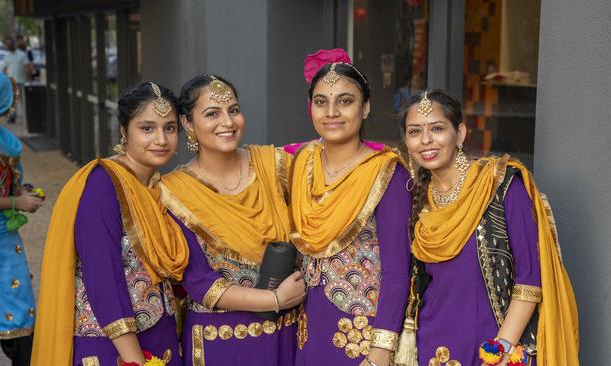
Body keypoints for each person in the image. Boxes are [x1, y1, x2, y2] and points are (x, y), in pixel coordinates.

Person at [398, 89, 579, 366]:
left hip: (495, 349)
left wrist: (500, 350)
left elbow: (530, 278)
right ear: (407, 141)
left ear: (459, 134)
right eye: (414, 131)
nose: (426, 140)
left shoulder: (501, 185)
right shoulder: (417, 199)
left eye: (437, 128)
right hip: (432, 348)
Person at [31, 82, 189, 366]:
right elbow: (102, 278)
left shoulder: (159, 186)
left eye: (169, 127)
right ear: (123, 131)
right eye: (147, 128)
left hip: (162, 335)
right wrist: (133, 361)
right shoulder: (102, 184)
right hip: (113, 347)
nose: (161, 139)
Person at [159, 74, 305, 366]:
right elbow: (199, 282)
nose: (227, 122)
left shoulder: (275, 166)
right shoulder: (174, 191)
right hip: (220, 343)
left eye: (233, 110)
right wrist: (275, 300)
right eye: (212, 113)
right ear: (188, 124)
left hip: (285, 335)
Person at [289, 49, 411, 366]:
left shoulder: (386, 173)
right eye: (321, 102)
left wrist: (380, 352)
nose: (332, 112)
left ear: (366, 107)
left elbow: (398, 273)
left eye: (345, 101)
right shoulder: (300, 162)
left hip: (361, 337)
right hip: (307, 330)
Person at [0, 72, 42, 366]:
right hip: (2, 241)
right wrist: (18, 201)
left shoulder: (5, 142)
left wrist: (21, 192)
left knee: (16, 304)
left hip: (5, 238)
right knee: (17, 307)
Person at [1, 37, 30, 124]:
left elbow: (27, 66)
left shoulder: (22, 54)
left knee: (23, 101)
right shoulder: (7, 56)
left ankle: (27, 118)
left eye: (10, 43)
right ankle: (12, 117)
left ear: (14, 43)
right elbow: (5, 69)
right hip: (11, 82)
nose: (9, 45)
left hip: (21, 81)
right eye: (7, 44)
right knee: (12, 101)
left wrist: (29, 77)